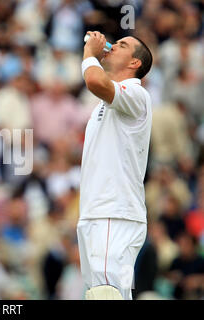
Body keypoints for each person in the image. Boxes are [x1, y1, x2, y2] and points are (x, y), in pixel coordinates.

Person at [76, 31, 153, 300]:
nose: (112, 47)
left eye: (121, 45)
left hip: (114, 210)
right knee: (105, 294)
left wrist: (90, 54)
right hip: (98, 210)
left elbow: (94, 80)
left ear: (135, 63)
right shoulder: (108, 103)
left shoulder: (136, 94)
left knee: (105, 294)